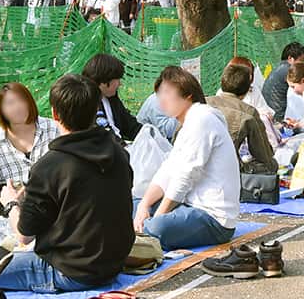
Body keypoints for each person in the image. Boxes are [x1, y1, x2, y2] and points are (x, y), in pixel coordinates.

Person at [0, 75, 135, 293]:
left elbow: (24, 235)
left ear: (54, 114)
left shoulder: (49, 166)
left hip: (71, 272)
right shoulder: (118, 152)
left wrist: (11, 203)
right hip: (114, 265)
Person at [133, 67, 240, 249]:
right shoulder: (188, 124)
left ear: (188, 94)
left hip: (213, 217)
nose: (161, 99)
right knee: (134, 204)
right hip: (188, 205)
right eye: (159, 93)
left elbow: (185, 176)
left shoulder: (202, 119)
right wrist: (144, 205)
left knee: (155, 227)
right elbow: (167, 171)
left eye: (167, 92)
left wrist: (158, 216)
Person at [0, 82, 59, 215]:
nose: (17, 107)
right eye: (10, 103)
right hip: (15, 215)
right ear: (1, 111)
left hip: (55, 211)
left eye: (21, 101)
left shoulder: (54, 129)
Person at [207, 62, 278, 174]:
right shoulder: (248, 112)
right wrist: (273, 164)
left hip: (192, 166)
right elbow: (262, 153)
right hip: (226, 170)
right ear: (247, 89)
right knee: (270, 166)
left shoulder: (202, 103)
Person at [80, 53, 141, 141]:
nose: (120, 84)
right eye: (118, 80)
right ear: (104, 82)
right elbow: (104, 134)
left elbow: (130, 125)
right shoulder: (88, 104)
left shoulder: (111, 99)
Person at [262, 42, 304, 123]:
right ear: (290, 58)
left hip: (270, 112)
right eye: (301, 60)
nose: (303, 63)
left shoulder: (280, 67)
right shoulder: (288, 70)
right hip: (278, 117)